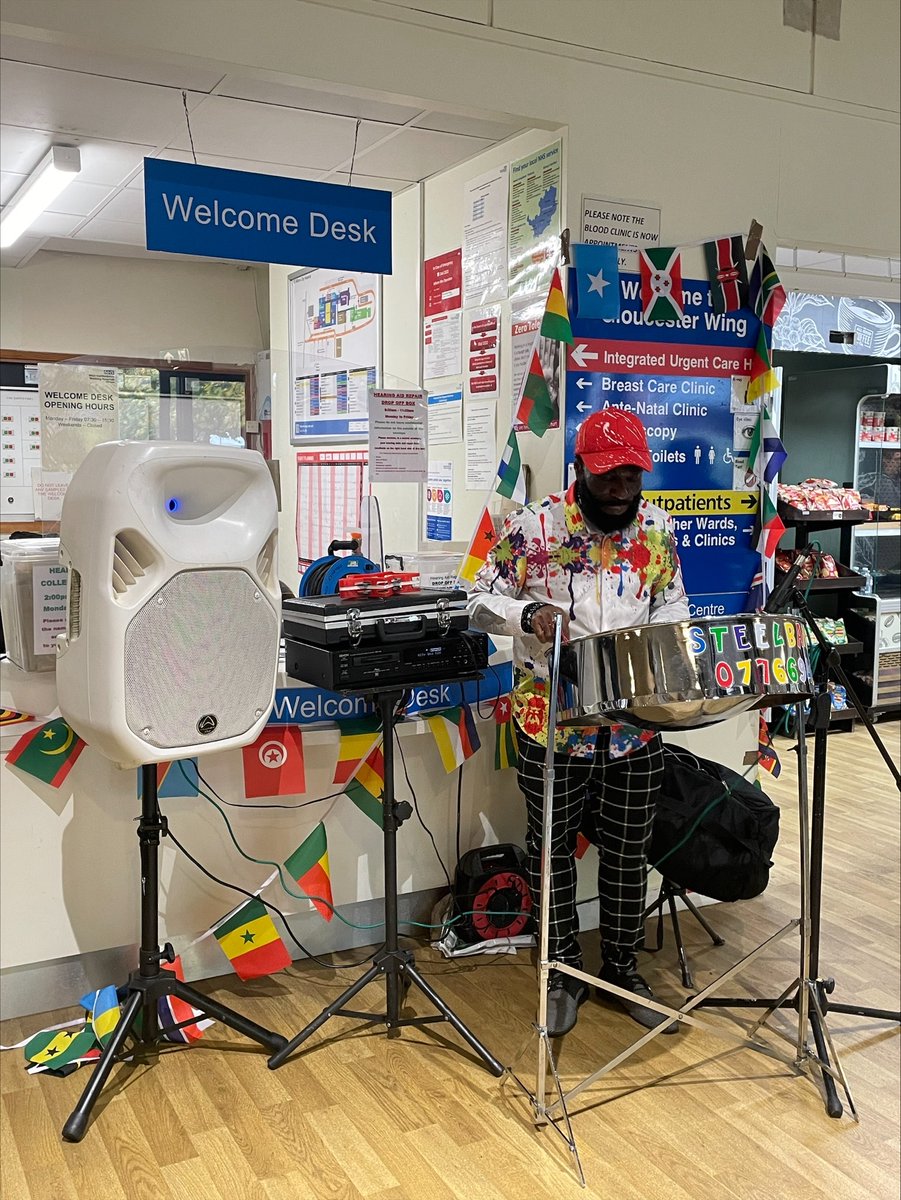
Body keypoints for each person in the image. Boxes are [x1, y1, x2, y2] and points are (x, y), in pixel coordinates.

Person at [468, 410, 690, 1037]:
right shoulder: (533, 528)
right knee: (552, 853)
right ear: (580, 471)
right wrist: (527, 611)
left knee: (627, 853)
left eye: (630, 476)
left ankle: (621, 969)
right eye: (608, 477)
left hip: (633, 725)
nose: (621, 489)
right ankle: (562, 970)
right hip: (552, 721)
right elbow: (476, 599)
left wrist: (665, 637)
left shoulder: (654, 529)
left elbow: (672, 601)